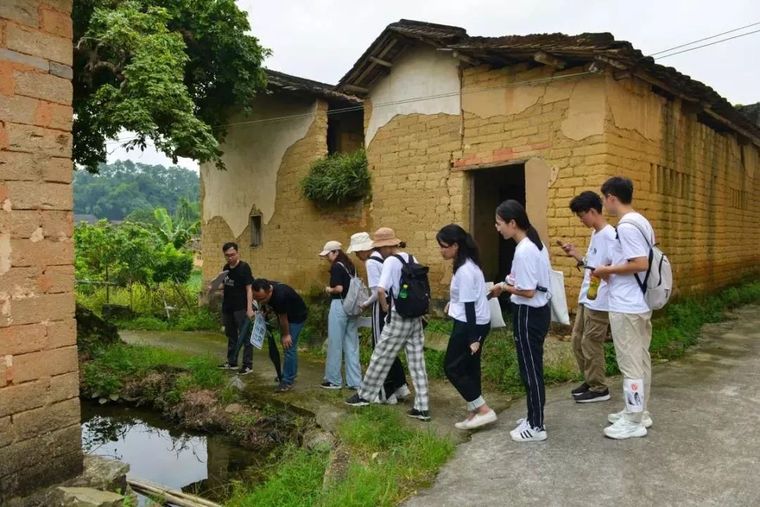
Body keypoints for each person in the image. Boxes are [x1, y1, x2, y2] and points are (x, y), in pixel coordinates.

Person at [345, 227, 431, 422]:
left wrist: (385, 310)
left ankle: (364, 395)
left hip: (399, 315)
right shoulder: (412, 258)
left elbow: (382, 290)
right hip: (416, 316)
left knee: (381, 354)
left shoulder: (391, 261)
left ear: (384, 246)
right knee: (417, 361)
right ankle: (422, 407)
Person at [593, 176, 656, 439]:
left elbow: (640, 263)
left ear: (611, 197)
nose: (605, 204)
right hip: (639, 302)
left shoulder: (627, 226)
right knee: (641, 360)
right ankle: (640, 411)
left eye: (604, 199)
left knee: (630, 364)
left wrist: (606, 269)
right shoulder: (642, 221)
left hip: (627, 304)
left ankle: (633, 420)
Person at [489, 200, 552, 442]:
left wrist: (504, 287)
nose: (497, 228)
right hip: (537, 312)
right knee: (531, 368)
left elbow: (528, 291)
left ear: (512, 223)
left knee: (530, 370)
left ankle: (536, 426)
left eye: (499, 223)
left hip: (529, 314)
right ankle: (532, 415)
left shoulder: (525, 249)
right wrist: (505, 283)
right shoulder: (533, 243)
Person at [437, 224, 496, 430]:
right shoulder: (469, 264)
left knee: (452, 367)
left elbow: (470, 306)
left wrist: (472, 339)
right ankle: (474, 412)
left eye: (444, 246)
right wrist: (452, 303)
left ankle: (483, 409)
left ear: (455, 245)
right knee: (470, 369)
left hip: (470, 324)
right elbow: (466, 297)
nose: (441, 250)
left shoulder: (464, 270)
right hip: (475, 321)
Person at [559, 191, 615, 403]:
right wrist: (576, 254)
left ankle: (599, 388)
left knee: (591, 343)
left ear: (593, 211)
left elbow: (616, 267)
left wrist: (605, 272)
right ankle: (590, 380)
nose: (581, 220)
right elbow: (593, 264)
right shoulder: (595, 234)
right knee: (577, 341)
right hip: (587, 296)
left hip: (600, 300)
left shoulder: (610, 235)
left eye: (582, 215)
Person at [347, 232, 410, 404]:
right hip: (395, 303)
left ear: (364, 250)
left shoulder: (371, 262)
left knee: (380, 348)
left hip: (382, 306)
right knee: (389, 346)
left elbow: (377, 291)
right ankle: (400, 387)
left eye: (357, 252)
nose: (357, 256)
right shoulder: (385, 259)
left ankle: (386, 393)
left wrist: (366, 303)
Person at [251, 278, 309, 392]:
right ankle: (290, 373)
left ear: (269, 292)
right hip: (287, 315)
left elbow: (283, 319)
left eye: (262, 298)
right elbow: (268, 305)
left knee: (289, 347)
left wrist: (286, 335)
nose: (259, 300)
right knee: (287, 347)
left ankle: (287, 381)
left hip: (296, 317)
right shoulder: (266, 287)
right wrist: (263, 309)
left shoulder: (280, 296)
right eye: (256, 298)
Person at [319, 240, 362, 390]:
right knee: (352, 345)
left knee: (335, 343)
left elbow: (338, 288)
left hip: (339, 305)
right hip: (352, 307)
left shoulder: (337, 266)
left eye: (328, 254)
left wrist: (328, 289)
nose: (327, 258)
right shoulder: (351, 266)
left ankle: (334, 379)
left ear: (336, 252)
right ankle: (355, 381)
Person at [215, 242, 255, 375]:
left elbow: (249, 289)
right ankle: (232, 361)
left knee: (245, 336)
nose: (230, 258)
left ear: (237, 253)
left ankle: (247, 365)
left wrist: (249, 308)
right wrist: (214, 287)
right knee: (231, 335)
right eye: (227, 255)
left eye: (232, 255)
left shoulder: (244, 267)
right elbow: (226, 284)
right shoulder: (226, 267)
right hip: (227, 307)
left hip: (241, 307)